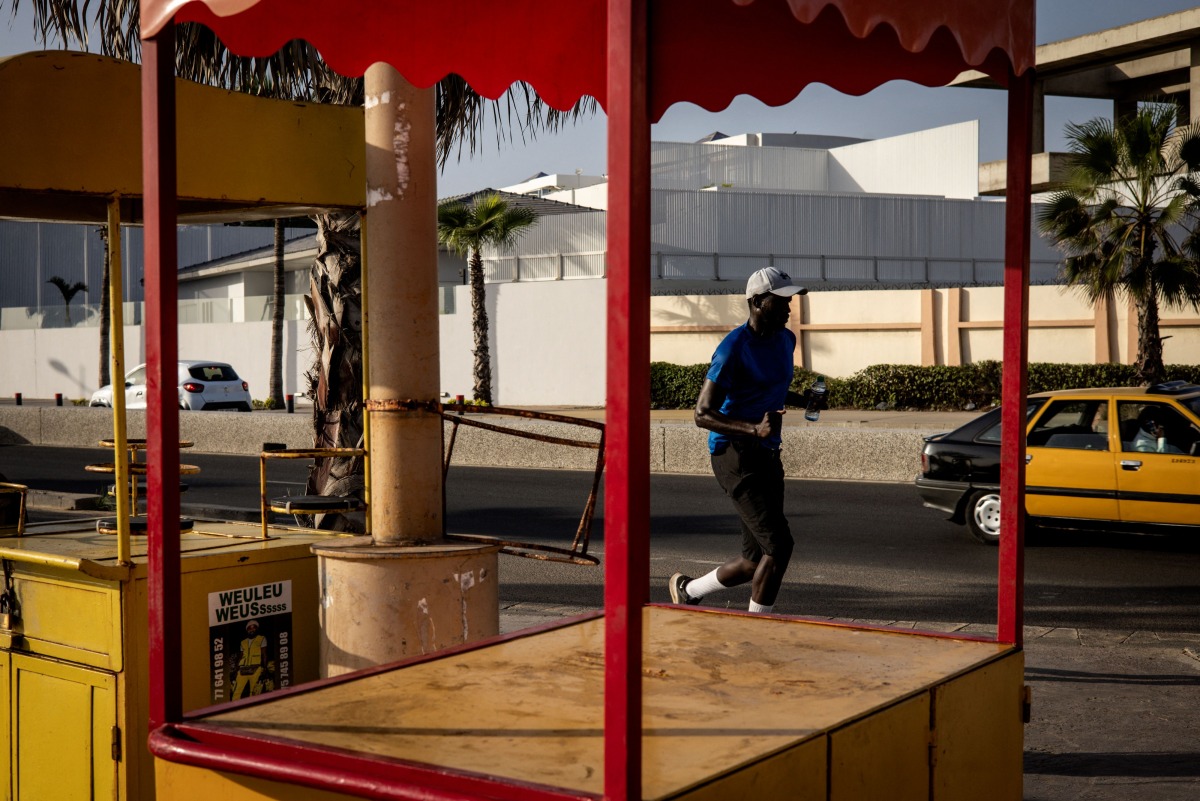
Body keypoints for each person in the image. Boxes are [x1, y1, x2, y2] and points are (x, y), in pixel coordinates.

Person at [669, 266, 821, 614]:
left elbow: (771, 390)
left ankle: (689, 590)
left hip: (767, 452)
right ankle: (754, 630)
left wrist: (803, 400)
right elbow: (702, 414)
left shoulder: (785, 340)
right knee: (779, 547)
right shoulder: (732, 349)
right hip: (733, 456)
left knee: (755, 559)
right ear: (756, 302)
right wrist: (753, 430)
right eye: (781, 300)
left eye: (791, 300)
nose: (789, 308)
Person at [230, 619, 271, 699]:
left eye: (254, 627)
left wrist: (265, 668)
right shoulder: (243, 642)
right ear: (247, 630)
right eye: (249, 628)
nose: (252, 630)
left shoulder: (261, 638)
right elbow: (241, 656)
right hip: (242, 669)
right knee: (237, 691)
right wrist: (236, 669)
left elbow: (264, 654)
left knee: (254, 692)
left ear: (257, 629)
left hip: (256, 668)